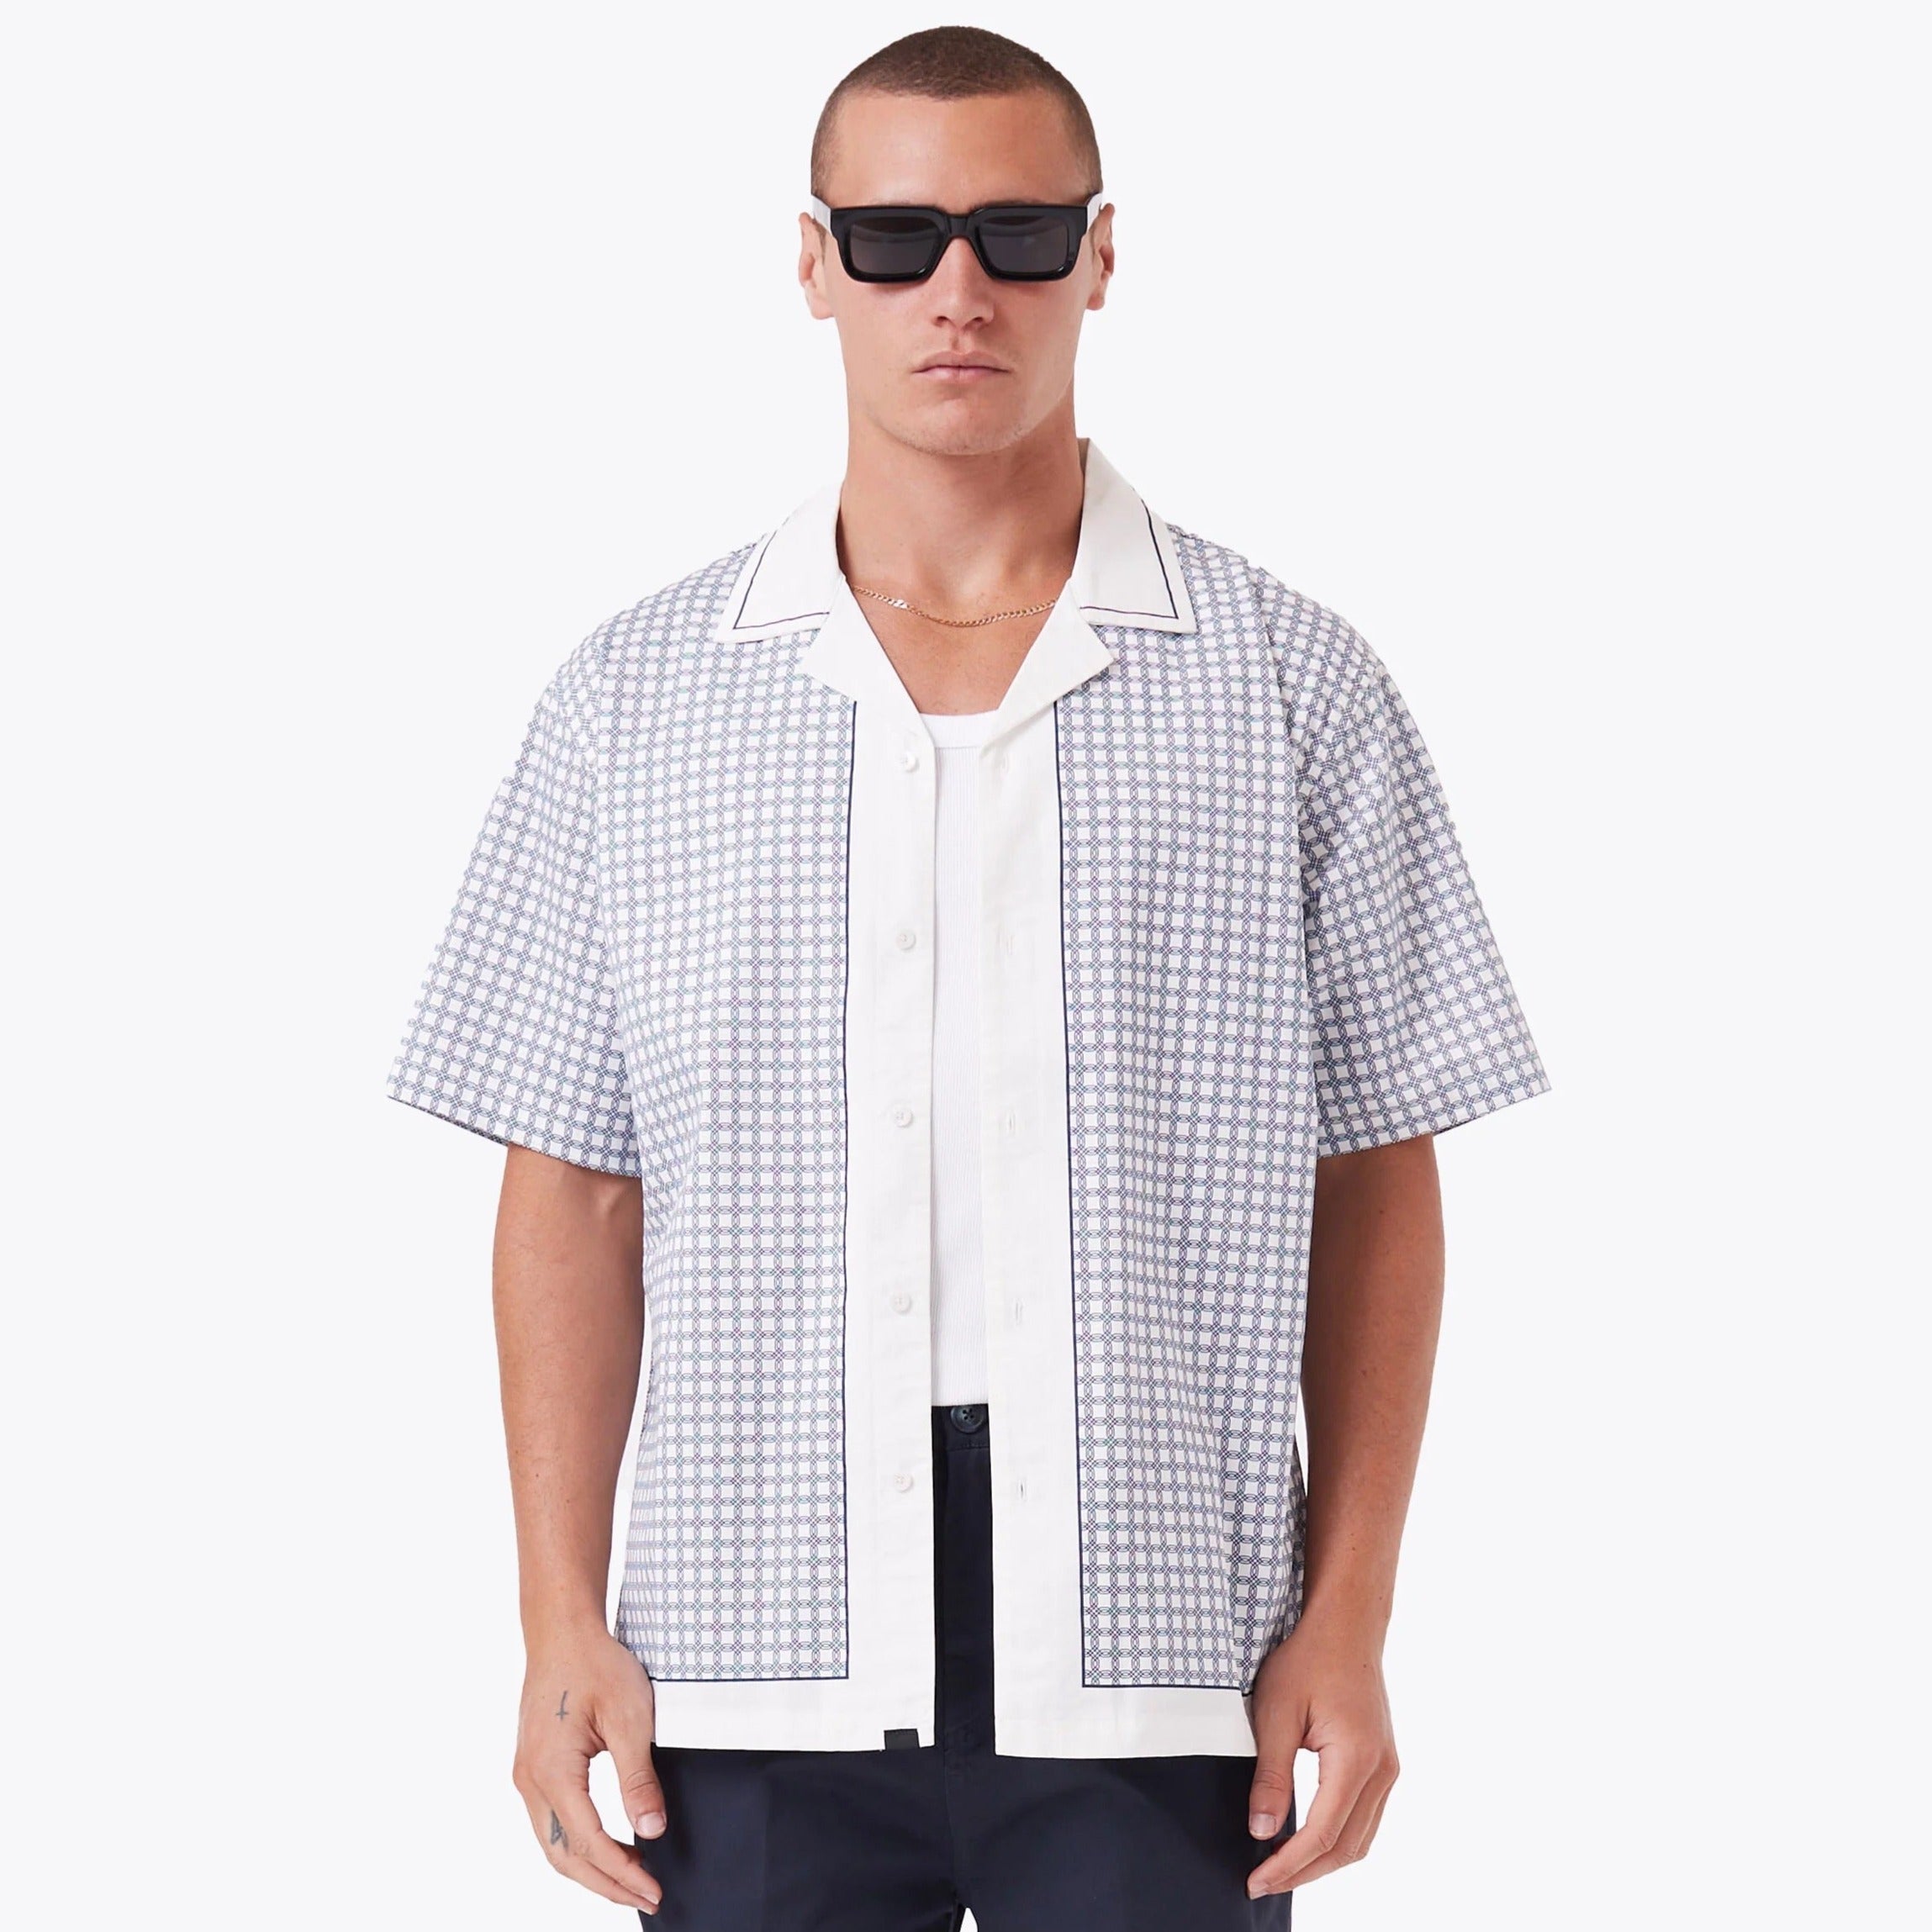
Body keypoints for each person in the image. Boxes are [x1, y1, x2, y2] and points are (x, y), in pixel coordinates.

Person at [383, 24, 1551, 1929]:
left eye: (1016, 234)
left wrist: (1349, 1615)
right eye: (895, 236)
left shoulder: (1291, 688)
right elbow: (574, 1186)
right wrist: (554, 1617)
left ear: (1101, 254)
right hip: (743, 1655)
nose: (957, 290)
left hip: (1167, 1653)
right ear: (812, 262)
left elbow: (1372, 1174)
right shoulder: (636, 700)